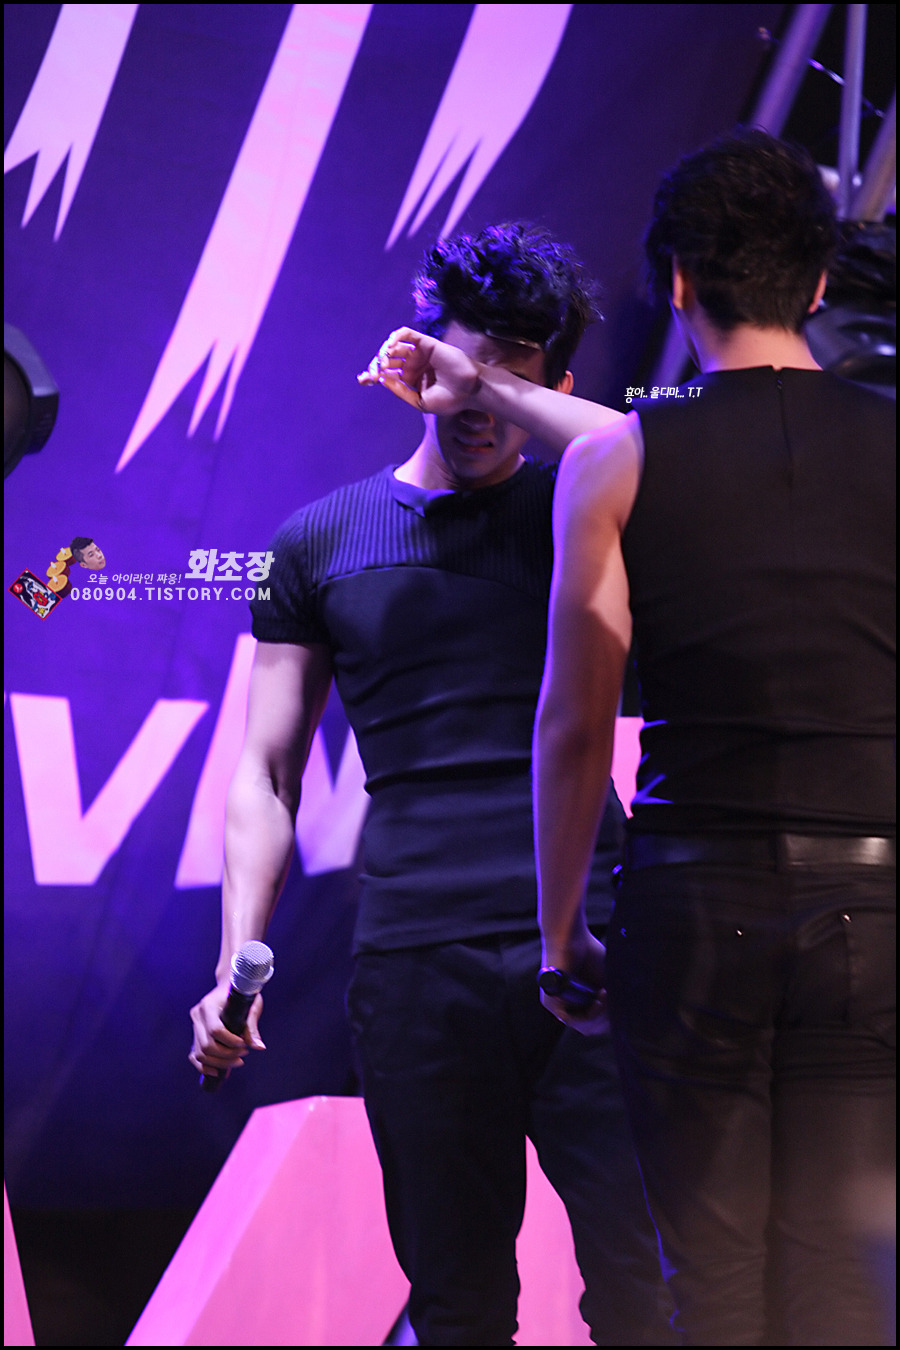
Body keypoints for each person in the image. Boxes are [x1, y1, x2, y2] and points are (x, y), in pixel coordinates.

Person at [374, 131, 896, 1346]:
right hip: (877, 902)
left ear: (676, 281)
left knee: (707, 1282)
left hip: (692, 903)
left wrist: (564, 933)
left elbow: (575, 725)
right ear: (821, 281)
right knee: (848, 1280)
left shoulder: (619, 459)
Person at [189, 224, 671, 1347]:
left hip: (596, 943)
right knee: (458, 1303)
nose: (477, 397)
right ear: (418, 357)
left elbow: (651, 447)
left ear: (554, 386)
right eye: (463, 359)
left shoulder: (587, 506)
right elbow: (267, 772)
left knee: (649, 1285)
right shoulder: (318, 541)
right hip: (416, 962)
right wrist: (232, 966)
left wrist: (491, 378)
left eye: (510, 371)